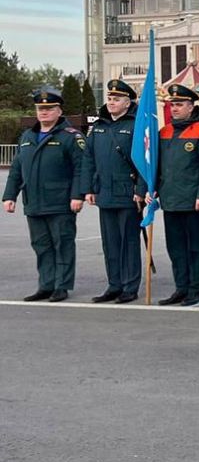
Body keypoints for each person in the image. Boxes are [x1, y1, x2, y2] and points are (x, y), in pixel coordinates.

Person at [2, 88, 85, 302]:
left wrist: (78, 195)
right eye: (40, 108)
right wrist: (9, 196)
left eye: (49, 108)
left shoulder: (71, 137)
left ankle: (62, 286)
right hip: (34, 202)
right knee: (41, 246)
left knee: (63, 244)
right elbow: (17, 169)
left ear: (59, 111)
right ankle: (46, 285)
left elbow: (81, 168)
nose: (44, 112)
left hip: (61, 202)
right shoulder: (27, 136)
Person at [80, 79, 146, 303]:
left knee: (129, 243)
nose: (111, 102)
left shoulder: (137, 125)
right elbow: (88, 159)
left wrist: (141, 190)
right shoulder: (99, 126)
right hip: (105, 192)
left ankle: (130, 286)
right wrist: (88, 188)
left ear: (128, 102)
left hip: (128, 193)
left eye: (116, 99)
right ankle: (114, 285)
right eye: (109, 98)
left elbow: (145, 161)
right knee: (110, 243)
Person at [153, 84, 199, 306]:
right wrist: (152, 190)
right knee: (176, 248)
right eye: (172, 105)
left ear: (191, 106)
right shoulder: (164, 132)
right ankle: (181, 287)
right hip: (170, 200)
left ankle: (194, 290)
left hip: (193, 201)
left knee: (196, 247)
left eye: (179, 104)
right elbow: (157, 166)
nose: (175, 109)